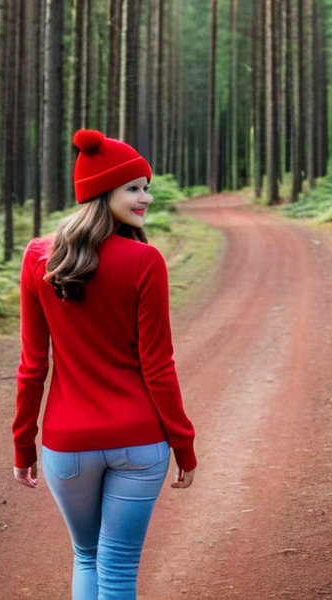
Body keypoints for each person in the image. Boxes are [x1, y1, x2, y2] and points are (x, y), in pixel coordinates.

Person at [13, 128, 197, 600]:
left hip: (67, 445)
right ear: (101, 192)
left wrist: (23, 444)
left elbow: (34, 365)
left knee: (87, 556)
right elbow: (158, 367)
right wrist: (183, 444)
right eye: (134, 187)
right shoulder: (145, 261)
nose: (146, 198)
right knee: (117, 565)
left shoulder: (39, 258)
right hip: (140, 443)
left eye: (146, 186)